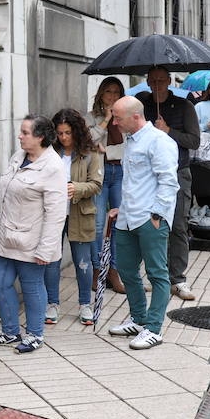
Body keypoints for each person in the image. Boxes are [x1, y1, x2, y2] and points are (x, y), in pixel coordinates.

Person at [0, 116, 68, 353]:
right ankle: (10, 331)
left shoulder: (53, 166)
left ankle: (35, 334)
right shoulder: (19, 156)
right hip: (6, 236)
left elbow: (56, 213)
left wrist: (47, 249)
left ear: (40, 137)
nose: (20, 136)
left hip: (32, 240)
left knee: (31, 286)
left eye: (25, 132)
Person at [105, 96, 179, 351]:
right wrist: (120, 208)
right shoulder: (131, 140)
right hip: (128, 218)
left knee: (158, 274)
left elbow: (169, 182)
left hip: (150, 219)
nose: (114, 122)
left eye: (118, 117)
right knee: (126, 270)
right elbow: (135, 182)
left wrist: (157, 216)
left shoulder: (160, 142)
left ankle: (154, 328)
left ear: (135, 117)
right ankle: (138, 320)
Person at [140, 66, 200, 302]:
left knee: (177, 225)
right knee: (150, 228)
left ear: (169, 81)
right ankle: (156, 276)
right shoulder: (142, 107)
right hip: (149, 175)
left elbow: (194, 141)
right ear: (147, 81)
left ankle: (178, 279)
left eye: (161, 80)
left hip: (177, 173)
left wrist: (167, 131)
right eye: (152, 80)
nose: (156, 84)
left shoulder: (185, 106)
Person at [47, 109, 102, 326]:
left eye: (68, 132)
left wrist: (75, 188)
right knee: (52, 260)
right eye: (59, 133)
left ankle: (85, 304)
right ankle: (52, 303)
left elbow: (96, 185)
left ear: (76, 131)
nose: (63, 138)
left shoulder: (90, 153)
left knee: (83, 262)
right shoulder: (50, 152)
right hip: (54, 213)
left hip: (80, 212)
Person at [88, 77, 127, 294]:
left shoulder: (125, 118)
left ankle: (113, 271)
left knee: (119, 223)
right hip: (99, 175)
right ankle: (96, 270)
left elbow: (128, 147)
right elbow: (89, 142)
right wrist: (106, 120)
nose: (112, 96)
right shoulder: (92, 117)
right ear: (101, 94)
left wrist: (109, 151)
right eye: (108, 92)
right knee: (98, 224)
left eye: (116, 92)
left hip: (119, 173)